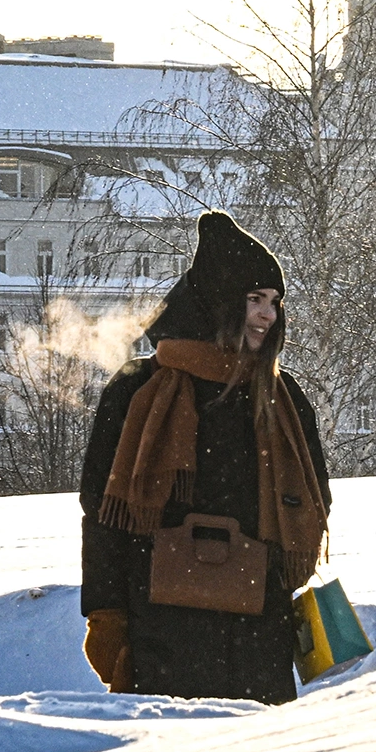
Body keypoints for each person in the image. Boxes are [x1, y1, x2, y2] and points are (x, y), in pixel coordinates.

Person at [78, 210, 331, 704]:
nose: (268, 315)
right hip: (162, 634)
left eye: (274, 302)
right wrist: (106, 613)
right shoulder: (138, 389)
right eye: (254, 299)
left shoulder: (283, 398)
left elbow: (314, 500)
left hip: (256, 638)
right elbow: (103, 514)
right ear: (218, 301)